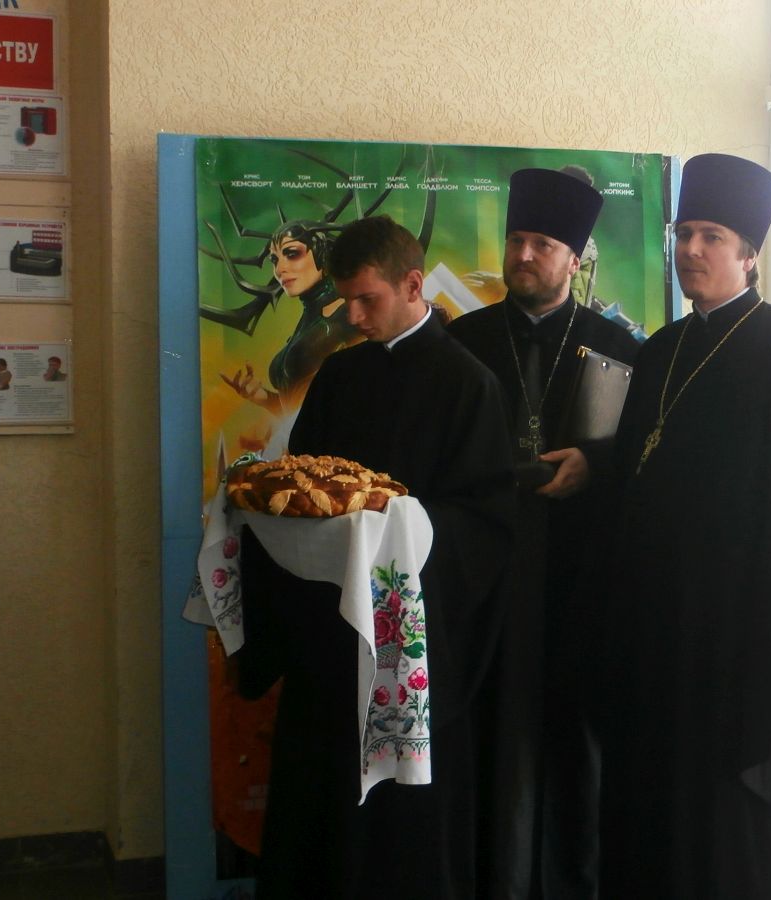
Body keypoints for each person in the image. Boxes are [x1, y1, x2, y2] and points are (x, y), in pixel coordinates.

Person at [600, 153, 771, 898]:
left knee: (729, 844)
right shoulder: (661, 350)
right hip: (660, 642)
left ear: (750, 254)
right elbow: (638, 467)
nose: (690, 249)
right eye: (683, 233)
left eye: (711, 236)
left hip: (742, 649)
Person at [234, 214, 515, 900]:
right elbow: (305, 480)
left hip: (411, 635)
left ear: (413, 285)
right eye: (346, 301)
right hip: (329, 630)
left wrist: (399, 524)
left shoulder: (469, 384)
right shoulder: (340, 375)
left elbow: (485, 522)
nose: (354, 317)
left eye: (368, 300)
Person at [447, 167, 639, 899]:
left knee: (572, 753)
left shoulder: (619, 348)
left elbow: (644, 457)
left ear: (575, 259)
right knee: (484, 742)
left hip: (578, 582)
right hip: (484, 582)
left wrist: (596, 463)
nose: (523, 255)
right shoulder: (460, 342)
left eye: (543, 244)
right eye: (516, 240)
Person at [220, 219, 361, 415]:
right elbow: (298, 411)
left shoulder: (352, 316)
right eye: (274, 260)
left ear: (322, 253)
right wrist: (263, 397)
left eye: (292, 254)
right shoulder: (310, 318)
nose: (279, 270)